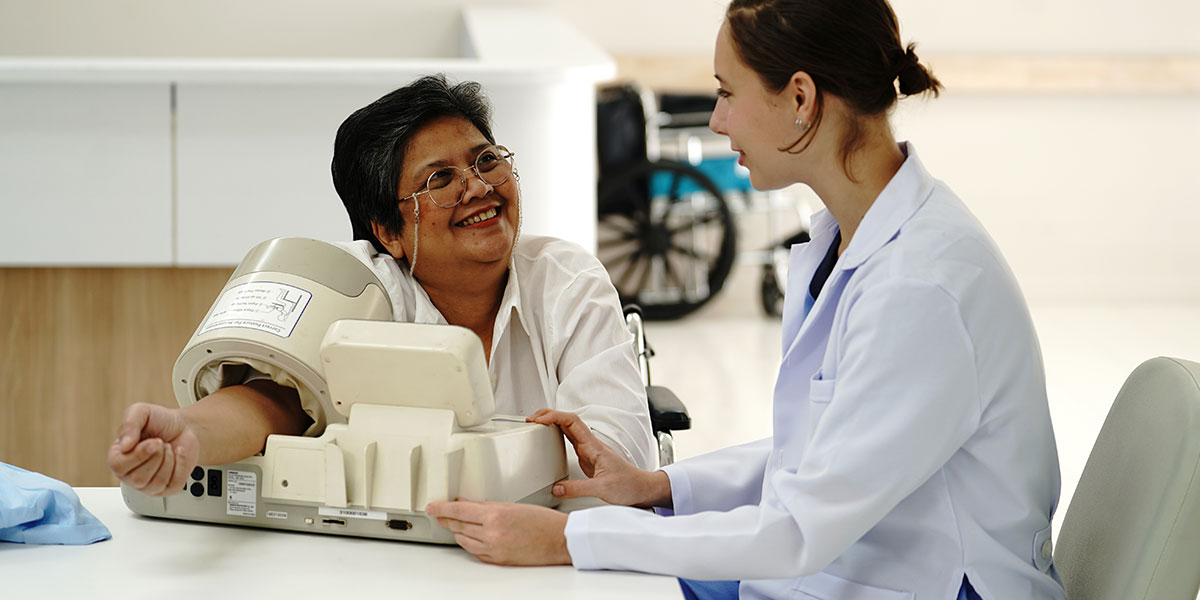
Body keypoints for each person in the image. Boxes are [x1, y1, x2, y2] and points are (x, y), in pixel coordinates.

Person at [425, 1, 1067, 598]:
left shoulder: (920, 286)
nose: (717, 119)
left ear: (800, 99)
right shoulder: (848, 240)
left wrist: (568, 538)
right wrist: (658, 487)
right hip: (854, 563)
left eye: (727, 93)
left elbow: (798, 530)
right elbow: (824, 452)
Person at [107, 75, 656, 497]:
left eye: (486, 160)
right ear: (388, 232)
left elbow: (617, 455)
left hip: (546, 546)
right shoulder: (358, 287)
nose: (478, 186)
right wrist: (187, 434)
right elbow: (271, 400)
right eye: (439, 179)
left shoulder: (567, 280)